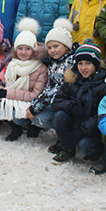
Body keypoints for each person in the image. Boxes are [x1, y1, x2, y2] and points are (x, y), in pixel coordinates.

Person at [50, 39, 106, 165]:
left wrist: (84, 129)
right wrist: (71, 106)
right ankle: (68, 149)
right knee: (59, 116)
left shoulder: (103, 87)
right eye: (80, 63)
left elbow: (102, 114)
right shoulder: (71, 81)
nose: (83, 68)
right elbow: (57, 102)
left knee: (85, 146)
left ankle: (97, 150)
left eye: (88, 63)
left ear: (96, 64)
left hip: (93, 129)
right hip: (75, 122)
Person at [28, 19, 78, 151]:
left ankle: (64, 139)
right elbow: (49, 85)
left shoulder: (70, 63)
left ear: (66, 46)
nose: (52, 50)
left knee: (46, 117)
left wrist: (36, 107)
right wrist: (35, 103)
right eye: (49, 48)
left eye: (56, 46)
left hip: (69, 103)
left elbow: (59, 88)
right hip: (57, 101)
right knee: (37, 116)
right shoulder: (54, 62)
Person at [0, 19, 48, 141]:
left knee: (8, 99)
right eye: (20, 48)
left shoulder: (40, 68)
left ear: (34, 50)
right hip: (16, 99)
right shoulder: (12, 64)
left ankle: (33, 125)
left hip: (31, 103)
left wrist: (7, 93)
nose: (23, 52)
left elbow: (35, 95)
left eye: (27, 49)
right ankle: (15, 127)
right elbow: (6, 82)